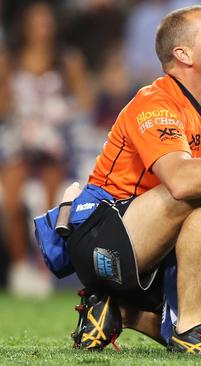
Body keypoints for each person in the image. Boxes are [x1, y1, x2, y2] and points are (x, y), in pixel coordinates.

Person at [37, 5, 201, 355]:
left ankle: (117, 311)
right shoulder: (154, 102)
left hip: (157, 250)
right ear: (183, 54)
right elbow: (181, 182)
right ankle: (188, 328)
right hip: (103, 239)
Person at [1, 1, 94, 298]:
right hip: (20, 135)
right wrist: (26, 116)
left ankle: (45, 266)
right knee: (11, 198)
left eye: (46, 21)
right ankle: (18, 266)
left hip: (56, 138)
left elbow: (85, 101)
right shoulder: (9, 59)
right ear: (25, 25)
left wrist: (59, 111)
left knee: (51, 198)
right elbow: (2, 103)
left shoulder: (68, 60)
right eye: (36, 21)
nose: (42, 26)